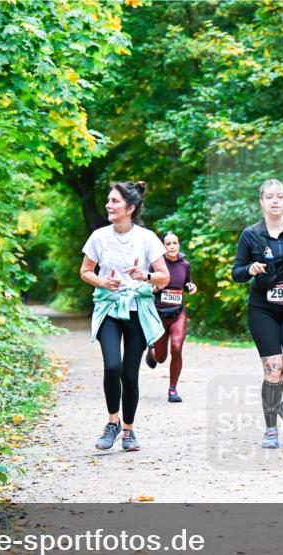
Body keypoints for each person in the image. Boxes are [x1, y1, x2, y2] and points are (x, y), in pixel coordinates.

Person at [80, 181, 168, 452]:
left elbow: (164, 277)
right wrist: (103, 282)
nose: (109, 205)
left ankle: (128, 431)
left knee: (130, 374)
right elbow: (85, 271)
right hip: (109, 309)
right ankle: (112, 423)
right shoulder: (99, 237)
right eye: (109, 200)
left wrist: (146, 275)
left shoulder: (147, 238)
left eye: (115, 201)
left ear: (130, 208)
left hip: (137, 311)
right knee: (112, 366)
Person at [231, 179, 283, 449]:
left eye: (280, 196)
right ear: (262, 202)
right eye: (270, 197)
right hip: (263, 310)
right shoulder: (251, 235)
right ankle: (270, 430)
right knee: (274, 371)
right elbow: (236, 272)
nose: (275, 201)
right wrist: (250, 270)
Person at [145, 231, 197, 402]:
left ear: (179, 244)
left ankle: (173, 390)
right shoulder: (156, 266)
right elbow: (146, 289)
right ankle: (152, 352)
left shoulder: (185, 265)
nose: (172, 246)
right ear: (163, 246)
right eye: (168, 244)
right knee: (161, 358)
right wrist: (154, 289)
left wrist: (191, 286)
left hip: (178, 313)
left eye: (175, 243)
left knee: (176, 347)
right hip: (159, 315)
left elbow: (187, 282)